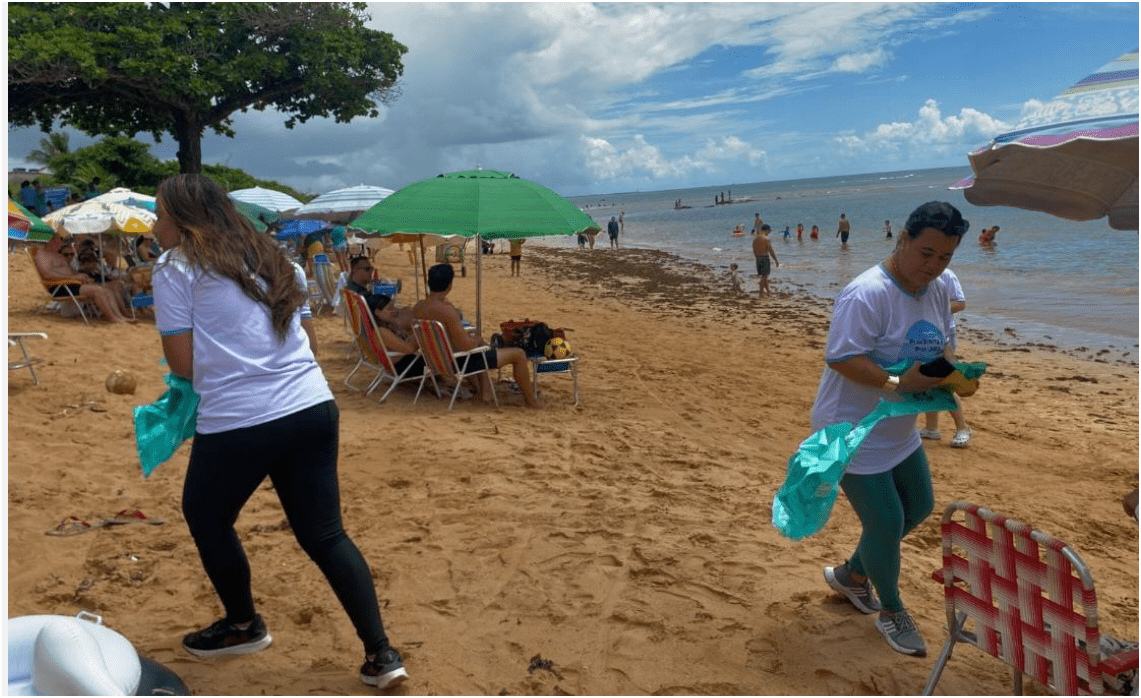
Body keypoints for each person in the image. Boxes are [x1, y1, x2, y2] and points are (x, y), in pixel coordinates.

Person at [149, 174, 408, 690]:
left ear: (182, 219)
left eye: (160, 215)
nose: (155, 226)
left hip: (241, 419)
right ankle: (382, 654)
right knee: (326, 534)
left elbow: (182, 365)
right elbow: (306, 338)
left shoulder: (175, 268)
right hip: (312, 407)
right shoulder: (277, 258)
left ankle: (243, 625)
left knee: (205, 515)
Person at [815, 201, 969, 659]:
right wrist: (900, 382)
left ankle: (851, 576)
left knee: (918, 507)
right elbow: (841, 356)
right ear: (902, 239)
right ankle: (891, 612)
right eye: (926, 253)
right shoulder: (867, 293)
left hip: (897, 425)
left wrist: (955, 375)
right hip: (851, 428)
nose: (934, 266)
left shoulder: (938, 288)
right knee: (885, 521)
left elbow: (939, 347)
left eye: (945, 257)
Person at [412, 263, 541, 408]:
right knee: (519, 354)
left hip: (437, 361)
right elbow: (465, 346)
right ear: (449, 286)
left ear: (429, 282)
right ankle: (531, 401)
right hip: (459, 363)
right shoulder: (447, 311)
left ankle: (485, 392)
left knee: (479, 345)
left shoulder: (419, 307)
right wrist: (477, 340)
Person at [918, 268, 972, 447]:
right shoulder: (915, 273)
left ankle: (963, 429)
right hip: (922, 335)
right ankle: (932, 428)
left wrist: (936, 310)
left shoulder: (946, 275)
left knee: (944, 384)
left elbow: (960, 303)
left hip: (944, 337)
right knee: (927, 381)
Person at [34, 233, 137, 323]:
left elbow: (70, 271)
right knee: (99, 291)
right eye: (60, 240)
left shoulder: (57, 255)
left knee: (108, 291)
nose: (61, 243)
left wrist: (79, 276)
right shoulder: (42, 256)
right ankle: (113, 318)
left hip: (71, 283)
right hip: (61, 287)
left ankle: (120, 316)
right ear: (52, 241)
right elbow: (47, 275)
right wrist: (73, 278)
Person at [751, 224, 779, 297]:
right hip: (765, 258)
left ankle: (768, 291)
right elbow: (771, 251)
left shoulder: (755, 239)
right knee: (764, 276)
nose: (769, 233)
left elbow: (754, 250)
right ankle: (761, 292)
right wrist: (776, 260)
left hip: (758, 258)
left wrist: (757, 257)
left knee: (764, 276)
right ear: (766, 230)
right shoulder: (766, 239)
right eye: (769, 231)